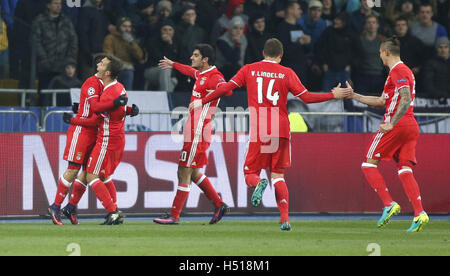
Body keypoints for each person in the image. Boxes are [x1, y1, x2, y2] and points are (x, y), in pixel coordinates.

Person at [189, 38, 352, 231]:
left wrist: (203, 101)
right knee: (278, 175)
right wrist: (332, 95)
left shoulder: (249, 69)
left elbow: (225, 88)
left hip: (260, 127)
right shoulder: (287, 72)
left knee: (250, 173)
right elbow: (306, 97)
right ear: (280, 56)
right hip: (281, 128)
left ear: (263, 53)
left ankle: (259, 183)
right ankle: (284, 219)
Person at [346, 36, 429, 232]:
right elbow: (382, 101)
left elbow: (406, 97)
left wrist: (391, 123)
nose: (380, 57)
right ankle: (420, 213)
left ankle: (388, 203)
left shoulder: (399, 70)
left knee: (368, 164)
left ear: (386, 52)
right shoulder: (399, 72)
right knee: (404, 169)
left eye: (380, 54)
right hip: (410, 126)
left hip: (398, 125)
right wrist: (354, 96)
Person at [47, 54, 130, 225]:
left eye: (103, 63)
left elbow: (105, 108)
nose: (100, 65)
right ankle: (55, 206)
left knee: (88, 173)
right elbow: (95, 109)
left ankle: (71, 207)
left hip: (96, 132)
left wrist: (126, 109)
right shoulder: (92, 83)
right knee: (73, 169)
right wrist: (74, 119)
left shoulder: (107, 85)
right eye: (100, 63)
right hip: (82, 131)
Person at [153, 44, 231, 225]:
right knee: (194, 171)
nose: (191, 57)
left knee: (183, 170)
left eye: (195, 55)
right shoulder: (201, 74)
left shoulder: (215, 77)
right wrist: (174, 64)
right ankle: (219, 205)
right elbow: (189, 71)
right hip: (194, 130)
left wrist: (202, 102)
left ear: (205, 59)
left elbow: (227, 89)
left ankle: (175, 215)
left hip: (198, 131)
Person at [83, 55, 130, 225]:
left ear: (108, 72)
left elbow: (97, 111)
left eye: (102, 64)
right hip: (116, 137)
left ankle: (112, 211)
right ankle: (114, 209)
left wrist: (75, 119)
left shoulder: (110, 92)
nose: (98, 65)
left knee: (91, 176)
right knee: (105, 175)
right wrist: (129, 109)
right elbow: (120, 108)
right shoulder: (119, 87)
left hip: (108, 139)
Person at [32, 0, 78, 106]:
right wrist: (44, 59)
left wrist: (68, 60)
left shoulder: (66, 20)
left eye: (60, 4)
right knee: (44, 96)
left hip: (63, 68)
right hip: (46, 68)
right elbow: (35, 42)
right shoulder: (39, 20)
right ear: (48, 5)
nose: (58, 6)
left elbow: (73, 40)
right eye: (55, 3)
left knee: (62, 98)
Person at [103, 16, 145, 91]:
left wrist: (132, 43)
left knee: (133, 71)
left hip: (129, 67)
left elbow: (140, 56)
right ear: (119, 27)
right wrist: (122, 64)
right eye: (124, 26)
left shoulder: (131, 38)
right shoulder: (110, 37)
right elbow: (108, 55)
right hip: (114, 67)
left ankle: (128, 95)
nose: (127, 29)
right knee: (127, 72)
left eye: (129, 27)